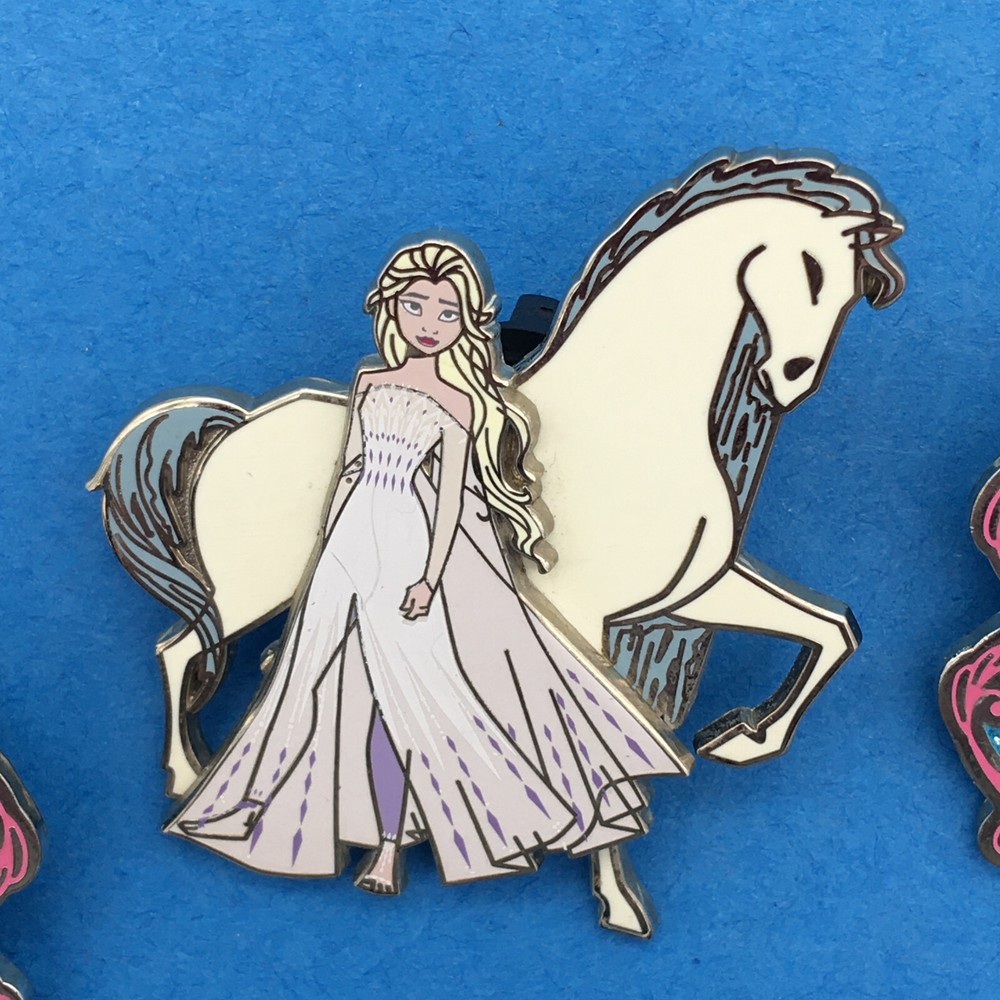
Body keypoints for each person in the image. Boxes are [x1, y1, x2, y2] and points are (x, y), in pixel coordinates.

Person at [167, 236, 686, 892]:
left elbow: (449, 502)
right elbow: (348, 472)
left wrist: (430, 577)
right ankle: (293, 807)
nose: (430, 324)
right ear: (392, 308)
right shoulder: (369, 382)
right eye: (416, 306)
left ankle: (393, 846)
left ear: (468, 321)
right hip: (348, 544)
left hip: (410, 548)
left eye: (447, 312)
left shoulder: (461, 401)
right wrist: (326, 561)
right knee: (323, 682)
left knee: (407, 696)